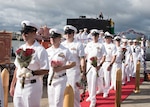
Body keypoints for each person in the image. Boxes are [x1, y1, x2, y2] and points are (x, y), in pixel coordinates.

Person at [9, 20, 49, 107]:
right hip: (19, 85)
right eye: (23, 32)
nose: (24, 35)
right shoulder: (21, 48)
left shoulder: (40, 50)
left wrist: (32, 73)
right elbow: (17, 68)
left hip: (32, 85)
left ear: (34, 33)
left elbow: (46, 70)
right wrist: (12, 85)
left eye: (27, 32)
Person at [46, 28, 76, 107]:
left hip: (61, 79)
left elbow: (73, 63)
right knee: (51, 102)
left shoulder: (65, 50)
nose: (52, 39)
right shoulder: (47, 51)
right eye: (51, 37)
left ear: (59, 38)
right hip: (51, 78)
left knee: (58, 102)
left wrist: (62, 68)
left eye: (54, 37)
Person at [62, 25, 86, 107]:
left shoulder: (78, 44)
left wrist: (83, 72)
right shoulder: (62, 44)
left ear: (73, 34)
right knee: (63, 91)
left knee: (74, 91)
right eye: (66, 33)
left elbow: (82, 58)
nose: (67, 35)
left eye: (69, 33)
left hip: (74, 71)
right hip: (63, 70)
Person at [84, 29, 106, 107]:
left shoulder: (101, 45)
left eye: (95, 36)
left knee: (93, 82)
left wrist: (100, 65)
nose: (94, 37)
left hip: (97, 65)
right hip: (89, 65)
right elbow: (86, 55)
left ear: (98, 36)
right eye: (93, 36)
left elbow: (104, 56)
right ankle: (90, 95)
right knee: (89, 82)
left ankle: (93, 100)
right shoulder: (89, 44)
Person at [102, 32, 116, 98]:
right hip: (100, 63)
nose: (107, 39)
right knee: (99, 78)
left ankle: (106, 92)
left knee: (107, 78)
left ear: (111, 38)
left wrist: (110, 65)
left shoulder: (113, 46)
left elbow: (114, 56)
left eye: (108, 38)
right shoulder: (102, 45)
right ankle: (100, 89)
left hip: (108, 62)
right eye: (106, 38)